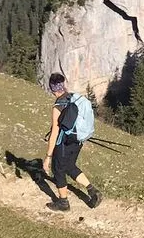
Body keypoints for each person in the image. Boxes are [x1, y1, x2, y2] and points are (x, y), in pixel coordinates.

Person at [43, 72, 101, 212]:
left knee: (58, 169)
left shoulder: (58, 106)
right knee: (69, 165)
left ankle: (63, 203)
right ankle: (93, 191)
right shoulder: (74, 98)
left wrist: (48, 157)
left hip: (65, 142)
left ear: (52, 89)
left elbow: (55, 133)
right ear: (63, 85)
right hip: (78, 140)